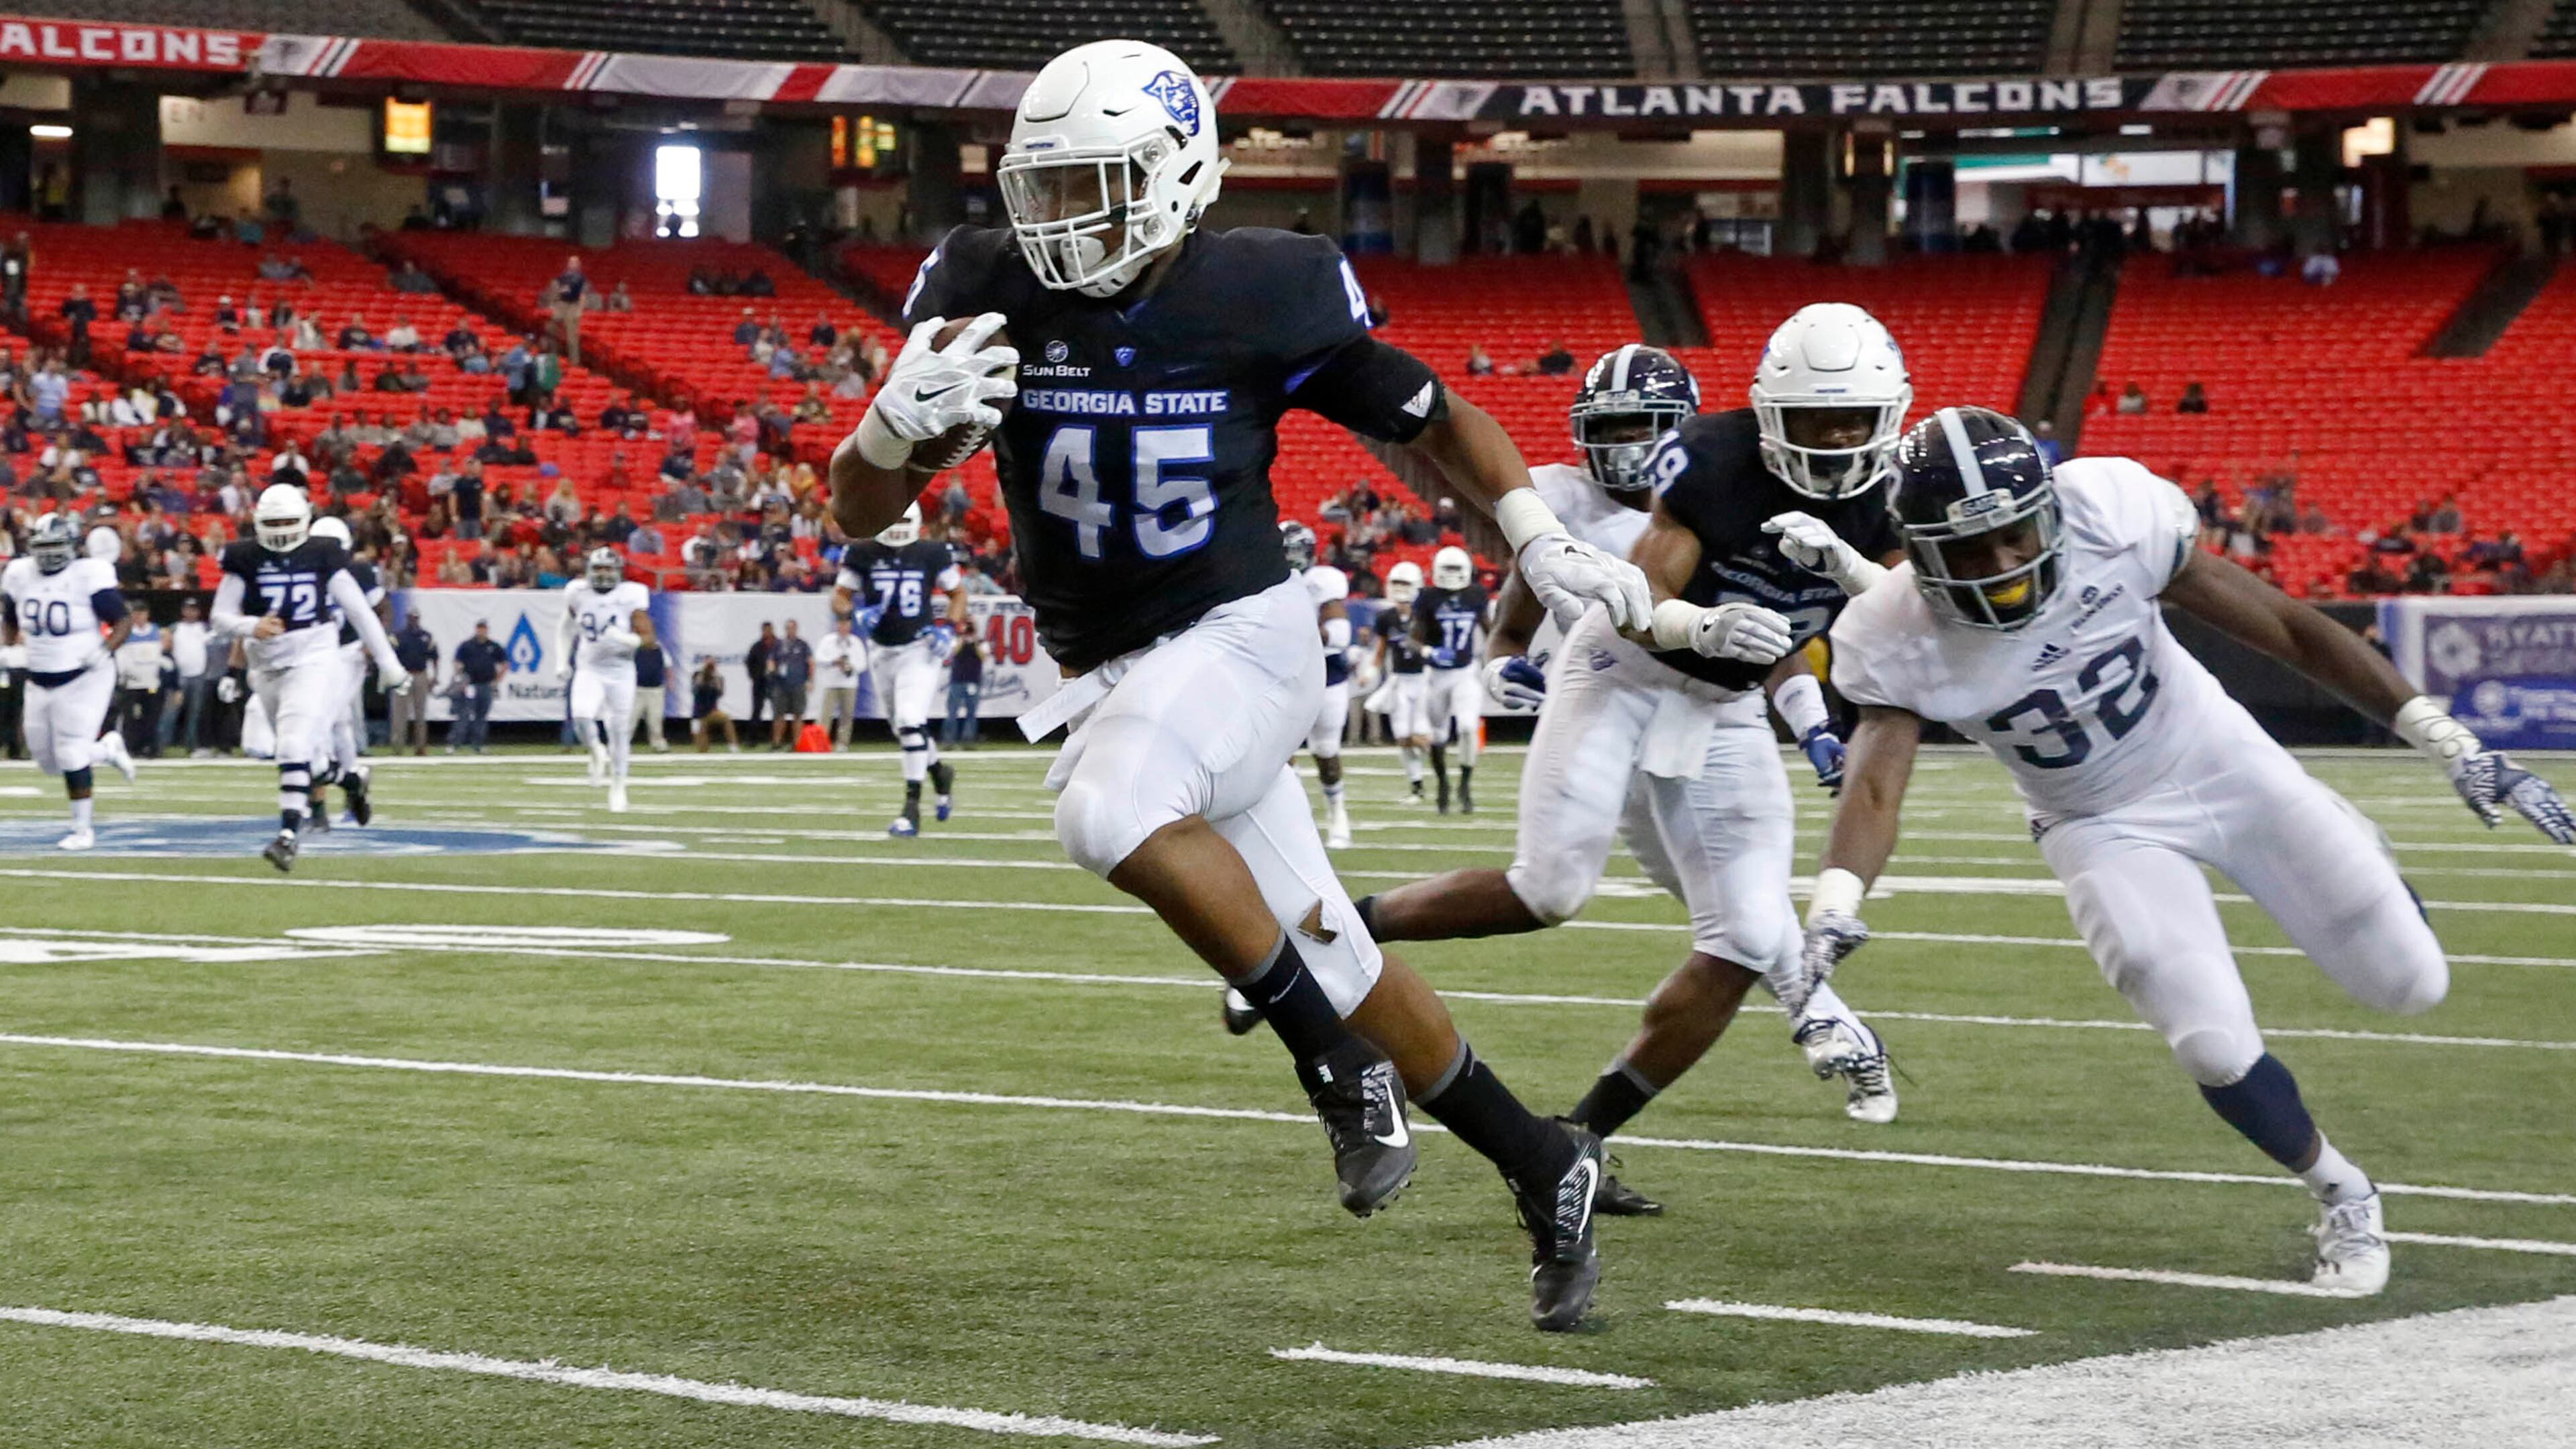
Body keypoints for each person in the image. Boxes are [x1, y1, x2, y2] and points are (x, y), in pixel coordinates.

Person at [829, 40, 1656, 1332]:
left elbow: (1432, 416)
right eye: (1039, 189)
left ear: (1174, 179)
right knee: (1337, 950)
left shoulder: (1265, 291)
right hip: (1118, 669)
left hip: (1244, 637)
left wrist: (1532, 533)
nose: (1053, 222)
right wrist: (887, 426)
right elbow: (863, 514)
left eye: (1089, 186)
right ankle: (1548, 1163)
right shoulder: (983, 285)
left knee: (1106, 813)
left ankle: (1334, 1073)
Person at [1796, 406, 2576, 1295]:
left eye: (2013, 535)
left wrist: (2448, 740)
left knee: (2412, 983)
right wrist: (1834, 905)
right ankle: (2342, 1191)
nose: (2003, 565)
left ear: (2048, 510)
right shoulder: (1889, 634)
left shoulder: (2112, 515)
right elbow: (1874, 784)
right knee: (2209, 1042)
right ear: (1919, 552)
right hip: (2095, 821)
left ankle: (2356, 850)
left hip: (2217, 755)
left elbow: (2287, 628)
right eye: (1968, 551)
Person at [1354, 337, 1903, 1216]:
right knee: (1553, 888)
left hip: (1717, 712)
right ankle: (1340, 929)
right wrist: (1506, 663)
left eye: (1643, 429)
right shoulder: (1591, 496)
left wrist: (1809, 720)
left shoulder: (1802, 499)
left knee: (1738, 938)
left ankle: (1582, 1137)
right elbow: (1556, 608)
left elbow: (1798, 627)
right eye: (1608, 429)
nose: (1626, 448)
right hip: (1616, 680)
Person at [211, 486, 407, 870]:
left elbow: (361, 613)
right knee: (306, 758)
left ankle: (288, 836)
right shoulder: (244, 557)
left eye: (288, 521)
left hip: (313, 658)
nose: (282, 530)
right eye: (274, 523)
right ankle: (349, 779)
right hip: (265, 666)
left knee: (293, 747)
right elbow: (219, 616)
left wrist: (389, 661)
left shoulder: (323, 554)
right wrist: (251, 625)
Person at [1, 513, 136, 848]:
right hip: (39, 677)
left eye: (54, 546)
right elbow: (10, 615)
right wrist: (9, 646)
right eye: (42, 547)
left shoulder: (88, 574)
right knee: (47, 762)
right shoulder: (19, 574)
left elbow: (123, 620)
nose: (48, 554)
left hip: (85, 676)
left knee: (72, 753)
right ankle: (106, 749)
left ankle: (82, 830)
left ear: (72, 546)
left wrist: (104, 650)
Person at [834, 502, 966, 829]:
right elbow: (839, 595)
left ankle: (911, 808)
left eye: (902, 518)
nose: (895, 525)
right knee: (903, 728)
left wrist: (948, 627)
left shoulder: (933, 553)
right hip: (882, 650)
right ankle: (939, 771)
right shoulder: (861, 552)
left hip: (919, 648)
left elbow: (958, 595)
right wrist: (852, 613)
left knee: (909, 721)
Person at [554, 547, 653, 812]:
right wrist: (561, 660)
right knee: (582, 715)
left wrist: (624, 639)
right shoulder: (577, 592)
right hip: (590, 667)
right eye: (598, 569)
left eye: (608, 569)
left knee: (620, 732)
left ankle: (618, 786)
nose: (603, 574)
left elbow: (649, 640)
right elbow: (566, 627)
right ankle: (596, 751)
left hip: (621, 670)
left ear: (618, 571)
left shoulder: (631, 594)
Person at [305, 517, 386, 828]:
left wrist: (373, 643)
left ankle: (322, 805)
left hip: (347, 652)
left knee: (323, 723)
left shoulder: (359, 572)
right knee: (336, 724)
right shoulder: (304, 571)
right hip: (314, 653)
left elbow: (383, 608)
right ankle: (351, 782)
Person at [1281, 521, 1354, 847]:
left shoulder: (1321, 582)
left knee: (1326, 751)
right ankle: (1295, 823)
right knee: (1280, 753)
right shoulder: (1263, 583)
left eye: (1295, 552)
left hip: (1327, 675)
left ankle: (1337, 812)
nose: (1290, 559)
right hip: (1284, 676)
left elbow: (1340, 635)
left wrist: (1298, 632)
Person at [1414, 545, 1487, 814]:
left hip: (1465, 671)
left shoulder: (1476, 594)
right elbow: (1415, 637)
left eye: (1456, 569)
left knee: (1468, 727)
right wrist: (1427, 651)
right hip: (1437, 676)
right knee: (1439, 735)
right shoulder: (1428, 598)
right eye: (1448, 569)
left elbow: (1488, 627)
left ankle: (1465, 785)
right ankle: (1443, 782)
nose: (1452, 575)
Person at [1368, 561, 1432, 801]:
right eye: (1397, 583)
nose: (1400, 589)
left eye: (1405, 584)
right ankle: (1417, 786)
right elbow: (1381, 650)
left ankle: (1435, 754)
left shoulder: (1426, 616)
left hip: (1424, 679)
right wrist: (1371, 672)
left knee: (1421, 734)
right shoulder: (1386, 617)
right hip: (1400, 681)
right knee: (1403, 737)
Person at [449, 619, 507, 753]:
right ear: (476, 629)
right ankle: (455, 744)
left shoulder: (493, 646)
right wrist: (460, 679)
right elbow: (457, 662)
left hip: (485, 685)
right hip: (470, 686)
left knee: (481, 717)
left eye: (484, 628)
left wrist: (497, 680)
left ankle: (478, 745)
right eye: (479, 628)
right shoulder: (467, 645)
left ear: (487, 630)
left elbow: (505, 663)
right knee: (464, 715)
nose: (482, 631)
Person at [169, 596, 215, 757]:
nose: (191, 612)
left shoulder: (205, 629)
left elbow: (212, 651)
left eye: (194, 609)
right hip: (179, 676)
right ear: (183, 611)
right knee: (171, 712)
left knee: (195, 714)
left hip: (198, 675)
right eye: (188, 609)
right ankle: (161, 745)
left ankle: (192, 744)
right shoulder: (175, 628)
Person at [814, 612, 864, 750]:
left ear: (850, 626)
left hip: (849, 684)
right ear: (837, 625)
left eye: (846, 625)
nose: (843, 627)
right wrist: (833, 662)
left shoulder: (855, 642)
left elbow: (863, 664)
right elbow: (819, 658)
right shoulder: (828, 640)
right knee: (826, 714)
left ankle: (842, 743)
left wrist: (850, 667)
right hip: (831, 683)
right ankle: (821, 742)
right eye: (841, 624)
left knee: (847, 715)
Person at [765, 618, 813, 750]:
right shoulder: (778, 644)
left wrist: (810, 680)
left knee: (798, 714)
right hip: (780, 685)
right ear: (785, 629)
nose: (790, 630)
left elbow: (810, 662)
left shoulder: (802, 645)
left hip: (798, 684)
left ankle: (797, 743)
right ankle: (777, 742)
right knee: (779, 715)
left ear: (796, 629)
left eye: (793, 628)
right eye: (788, 628)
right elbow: (771, 660)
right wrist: (772, 671)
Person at [392, 612, 436, 755]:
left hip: (420, 674)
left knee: (420, 713)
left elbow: (434, 657)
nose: (413, 620)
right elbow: (391, 655)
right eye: (411, 618)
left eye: (415, 618)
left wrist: (434, 676)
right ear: (407, 619)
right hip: (403, 675)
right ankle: (398, 747)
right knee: (400, 713)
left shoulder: (426, 636)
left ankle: (420, 746)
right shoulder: (398, 636)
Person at [631, 628, 670, 754]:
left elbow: (668, 666)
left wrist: (670, 681)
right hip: (638, 690)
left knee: (656, 719)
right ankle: (622, 744)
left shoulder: (660, 649)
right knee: (631, 719)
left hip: (656, 690)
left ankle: (658, 744)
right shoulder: (634, 649)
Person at [943, 629, 983, 746]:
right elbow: (953, 653)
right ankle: (949, 740)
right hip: (957, 681)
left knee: (971, 713)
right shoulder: (955, 640)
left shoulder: (981, 642)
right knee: (952, 712)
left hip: (973, 681)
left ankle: (968, 740)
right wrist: (961, 638)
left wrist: (975, 641)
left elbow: (984, 657)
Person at [691, 656, 737, 751]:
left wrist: (714, 678)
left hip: (712, 712)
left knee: (726, 720)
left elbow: (720, 693)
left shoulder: (718, 678)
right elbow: (696, 689)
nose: (711, 666)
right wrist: (705, 673)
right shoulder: (697, 675)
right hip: (698, 714)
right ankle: (704, 749)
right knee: (702, 748)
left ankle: (733, 746)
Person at [744, 622, 775, 734]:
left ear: (772, 630)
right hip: (760, 683)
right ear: (762, 631)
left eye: (769, 629)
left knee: (778, 711)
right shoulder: (756, 646)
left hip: (775, 683)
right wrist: (754, 676)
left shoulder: (778, 645)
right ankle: (753, 737)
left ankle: (776, 738)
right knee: (757, 710)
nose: (767, 632)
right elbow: (749, 662)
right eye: (765, 630)